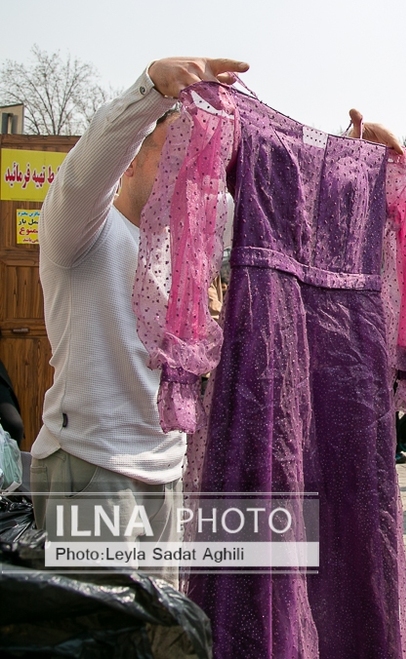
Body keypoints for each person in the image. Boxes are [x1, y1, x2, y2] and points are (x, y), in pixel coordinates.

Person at [31, 57, 249, 585]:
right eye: (174, 150)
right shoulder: (82, 233)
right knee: (100, 634)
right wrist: (151, 91)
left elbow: (281, 215)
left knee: (159, 632)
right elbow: (85, 172)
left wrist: (354, 155)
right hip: (91, 468)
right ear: (130, 161)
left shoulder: (184, 248)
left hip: (167, 468)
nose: (190, 168)